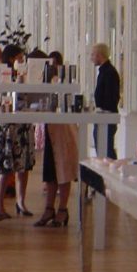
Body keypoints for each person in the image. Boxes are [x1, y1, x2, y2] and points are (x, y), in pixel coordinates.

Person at [33, 51, 78, 228]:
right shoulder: (44, 80)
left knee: (64, 170)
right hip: (51, 130)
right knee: (51, 172)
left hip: (63, 131)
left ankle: (62, 209)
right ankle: (49, 208)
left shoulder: (62, 81)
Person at [0, 44, 35, 218]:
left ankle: (21, 201)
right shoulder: (3, 74)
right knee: (6, 165)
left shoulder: (24, 75)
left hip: (24, 123)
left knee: (23, 166)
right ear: (12, 58)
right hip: (10, 125)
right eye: (19, 57)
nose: (21, 61)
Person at [90, 42, 120, 158]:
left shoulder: (109, 73)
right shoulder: (104, 71)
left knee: (107, 150)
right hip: (102, 116)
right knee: (102, 148)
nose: (91, 58)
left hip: (106, 117)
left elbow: (111, 97)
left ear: (99, 55)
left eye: (93, 55)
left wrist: (102, 110)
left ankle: (111, 174)